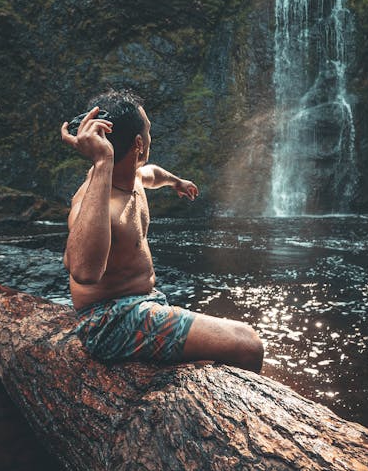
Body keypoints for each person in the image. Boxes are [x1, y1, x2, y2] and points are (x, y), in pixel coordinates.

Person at [60, 88, 264, 372]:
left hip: (142, 304)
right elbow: (82, 270)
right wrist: (103, 160)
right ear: (139, 144)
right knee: (248, 343)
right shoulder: (94, 204)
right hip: (109, 322)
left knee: (213, 347)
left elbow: (153, 174)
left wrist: (176, 181)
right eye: (149, 131)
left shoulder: (133, 177)